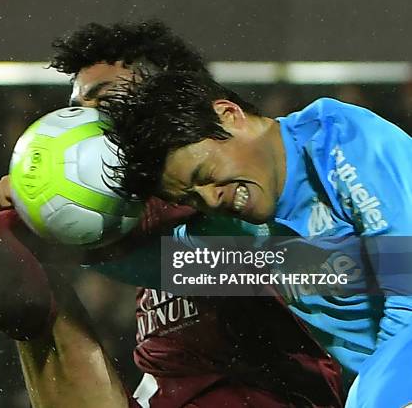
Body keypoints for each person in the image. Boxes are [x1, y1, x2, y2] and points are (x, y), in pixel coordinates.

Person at [0, 21, 343, 407]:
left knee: (34, 252)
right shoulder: (132, 214)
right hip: (158, 395)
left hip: (268, 397)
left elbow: (375, 264)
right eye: (78, 105)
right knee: (36, 305)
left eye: (105, 99)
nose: (85, 119)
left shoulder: (246, 187)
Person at [100, 70, 412, 407]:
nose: (210, 199)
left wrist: (375, 399)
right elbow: (164, 265)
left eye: (204, 175)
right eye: (191, 198)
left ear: (229, 115)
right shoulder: (247, 231)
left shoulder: (338, 139)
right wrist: (70, 240)